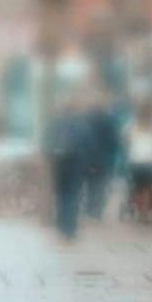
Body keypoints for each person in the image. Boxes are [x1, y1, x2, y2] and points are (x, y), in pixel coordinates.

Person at [46, 95, 90, 238]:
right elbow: (87, 144)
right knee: (73, 194)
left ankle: (61, 224)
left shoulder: (55, 123)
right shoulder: (80, 124)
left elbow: (47, 142)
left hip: (58, 162)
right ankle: (70, 227)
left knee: (61, 194)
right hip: (75, 163)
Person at [82, 93, 118, 220]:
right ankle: (97, 210)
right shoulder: (108, 120)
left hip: (87, 157)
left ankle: (89, 209)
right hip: (104, 158)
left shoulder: (84, 118)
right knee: (100, 185)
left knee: (88, 184)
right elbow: (114, 141)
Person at [124, 99, 152, 223]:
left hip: (135, 160)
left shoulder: (132, 124)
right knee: (147, 189)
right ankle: (144, 213)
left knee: (138, 188)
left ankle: (139, 212)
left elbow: (125, 139)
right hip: (149, 160)